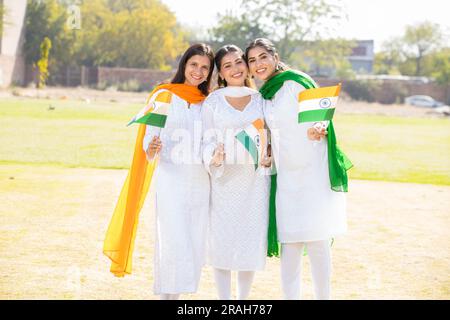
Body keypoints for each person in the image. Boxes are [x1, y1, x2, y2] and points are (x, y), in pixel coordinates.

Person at [103, 43, 215, 300]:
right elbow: (148, 144)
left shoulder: (208, 102)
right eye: (194, 65)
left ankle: (178, 297)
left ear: (210, 72)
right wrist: (152, 146)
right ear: (184, 65)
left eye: (205, 68)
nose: (198, 71)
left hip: (200, 183)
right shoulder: (163, 95)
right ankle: (166, 298)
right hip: (171, 181)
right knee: (172, 242)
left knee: (194, 243)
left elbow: (211, 140)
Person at [245, 38, 352, 300]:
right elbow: (266, 134)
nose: (258, 64)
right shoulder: (264, 95)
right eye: (252, 60)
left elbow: (320, 118)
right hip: (286, 179)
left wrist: (320, 129)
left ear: (275, 56)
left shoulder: (296, 82)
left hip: (312, 173)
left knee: (317, 242)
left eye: (263, 57)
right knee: (290, 243)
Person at [201, 45, 270, 300]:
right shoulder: (213, 101)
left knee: (249, 240)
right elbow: (205, 139)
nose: (235, 69)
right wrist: (213, 155)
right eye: (227, 65)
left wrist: (268, 153)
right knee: (222, 241)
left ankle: (242, 301)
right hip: (224, 181)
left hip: (254, 182)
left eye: (239, 62)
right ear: (220, 73)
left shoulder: (260, 99)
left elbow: (270, 135)